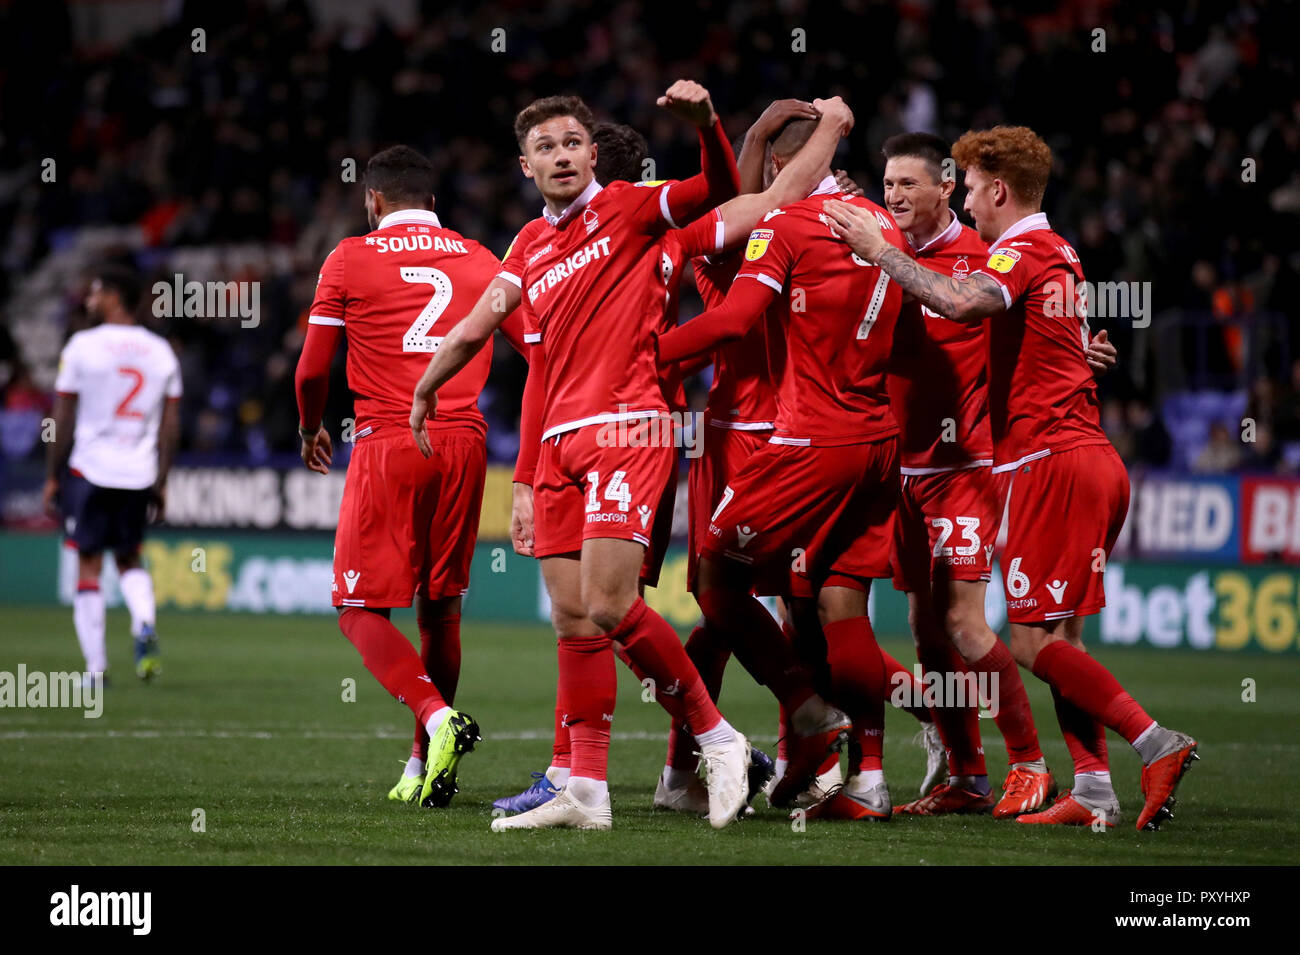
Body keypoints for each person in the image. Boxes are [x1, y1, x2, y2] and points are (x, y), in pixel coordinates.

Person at [824, 124, 1198, 830]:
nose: (966, 204)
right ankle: (1090, 787)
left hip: (1042, 461)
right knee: (1054, 638)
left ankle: (1152, 742)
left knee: (1023, 640)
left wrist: (877, 252)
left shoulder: (1011, 249)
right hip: (1073, 457)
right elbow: (1036, 323)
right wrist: (1078, 347)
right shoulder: (1060, 249)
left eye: (965, 189)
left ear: (994, 189)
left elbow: (966, 302)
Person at [414, 83, 757, 831]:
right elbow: (481, 323)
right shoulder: (529, 245)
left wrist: (707, 127)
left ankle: (717, 737)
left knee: (610, 603)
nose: (561, 155)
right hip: (560, 439)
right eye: (546, 147)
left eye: (572, 143)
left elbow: (722, 191)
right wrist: (429, 387)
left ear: (593, 154)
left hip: (630, 426)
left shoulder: (635, 207)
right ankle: (586, 790)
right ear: (525, 165)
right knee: (573, 621)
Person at [657, 115, 912, 820]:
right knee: (832, 606)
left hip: (803, 440)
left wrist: (641, 357)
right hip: (876, 440)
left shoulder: (782, 228)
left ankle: (802, 714)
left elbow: (734, 319)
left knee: (716, 584)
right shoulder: (880, 224)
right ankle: (865, 777)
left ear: (778, 167)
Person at [294, 145, 526, 809]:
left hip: (391, 439)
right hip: (465, 442)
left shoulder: (349, 256)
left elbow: (311, 369)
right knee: (442, 605)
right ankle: (423, 762)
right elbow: (536, 347)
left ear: (373, 201)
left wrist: (313, 425)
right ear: (432, 200)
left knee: (358, 606)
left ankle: (434, 716)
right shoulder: (481, 256)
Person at [44, 265, 181, 684]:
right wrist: (160, 480)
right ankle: (143, 621)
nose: (88, 298)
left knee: (88, 564)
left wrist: (53, 473)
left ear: (116, 297)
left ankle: (96, 668)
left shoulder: (82, 346)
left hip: (90, 468)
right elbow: (170, 425)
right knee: (129, 558)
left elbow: (63, 414)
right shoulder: (160, 351)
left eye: (96, 291)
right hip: (138, 473)